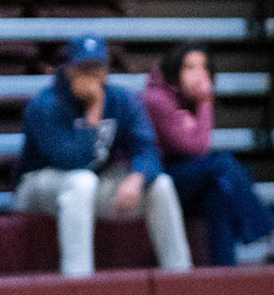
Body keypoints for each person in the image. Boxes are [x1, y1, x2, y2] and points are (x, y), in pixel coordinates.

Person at [15, 34, 190, 276]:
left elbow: (147, 148)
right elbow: (73, 162)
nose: (92, 77)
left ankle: (179, 277)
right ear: (68, 71)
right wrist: (93, 112)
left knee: (160, 184)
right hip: (37, 189)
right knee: (81, 181)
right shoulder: (45, 106)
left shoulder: (122, 100)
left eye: (98, 68)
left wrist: (139, 176)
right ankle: (79, 284)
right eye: (84, 68)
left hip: (90, 187)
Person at [143, 43, 274, 266]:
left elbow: (196, 146)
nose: (199, 75)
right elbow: (196, 147)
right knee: (222, 164)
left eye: (204, 68)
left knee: (219, 191)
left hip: (188, 178)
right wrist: (205, 101)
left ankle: (223, 270)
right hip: (157, 180)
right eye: (189, 67)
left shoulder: (186, 99)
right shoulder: (156, 99)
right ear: (175, 70)